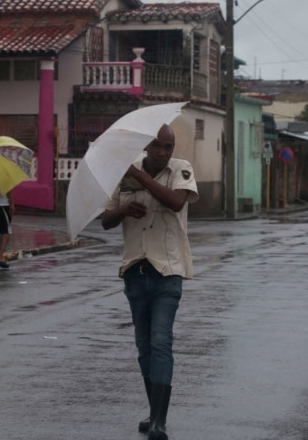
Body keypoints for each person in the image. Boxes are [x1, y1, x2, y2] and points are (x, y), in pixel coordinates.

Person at [101, 124, 198, 440]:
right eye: (157, 145)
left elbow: (176, 202)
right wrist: (125, 208)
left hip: (167, 272)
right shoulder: (123, 176)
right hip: (135, 272)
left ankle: (160, 421)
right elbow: (105, 220)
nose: (162, 152)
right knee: (144, 347)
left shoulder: (180, 169)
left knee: (160, 342)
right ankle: (152, 411)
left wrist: (139, 176)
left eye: (168, 146)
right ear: (147, 146)